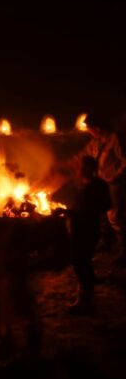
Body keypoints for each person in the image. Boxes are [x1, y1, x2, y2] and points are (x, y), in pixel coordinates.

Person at [67, 156, 112, 314]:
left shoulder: (97, 185)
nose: (77, 169)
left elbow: (103, 205)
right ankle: (85, 298)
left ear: (87, 169)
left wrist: (79, 213)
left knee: (81, 264)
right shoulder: (89, 185)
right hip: (83, 229)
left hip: (87, 230)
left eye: (80, 166)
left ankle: (85, 303)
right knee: (83, 262)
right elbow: (82, 208)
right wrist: (69, 211)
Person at [80, 115, 125, 262]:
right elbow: (83, 155)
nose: (89, 132)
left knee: (115, 217)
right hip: (100, 183)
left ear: (97, 128)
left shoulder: (115, 139)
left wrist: (115, 176)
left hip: (114, 184)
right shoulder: (96, 141)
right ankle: (106, 243)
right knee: (103, 215)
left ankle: (124, 249)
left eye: (90, 129)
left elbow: (125, 161)